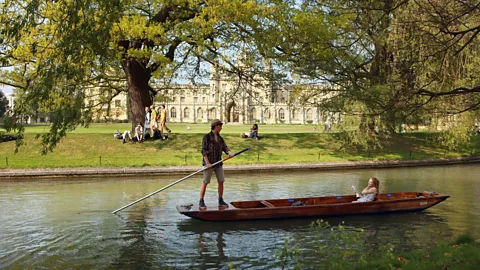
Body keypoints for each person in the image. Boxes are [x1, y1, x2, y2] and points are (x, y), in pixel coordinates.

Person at [199, 119, 234, 209]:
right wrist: (207, 163)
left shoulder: (220, 138)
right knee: (205, 182)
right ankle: (201, 201)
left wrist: (229, 152)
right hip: (209, 164)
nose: (221, 128)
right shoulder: (206, 137)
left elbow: (225, 148)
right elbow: (204, 151)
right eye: (220, 126)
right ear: (215, 126)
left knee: (221, 181)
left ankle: (220, 200)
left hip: (218, 163)